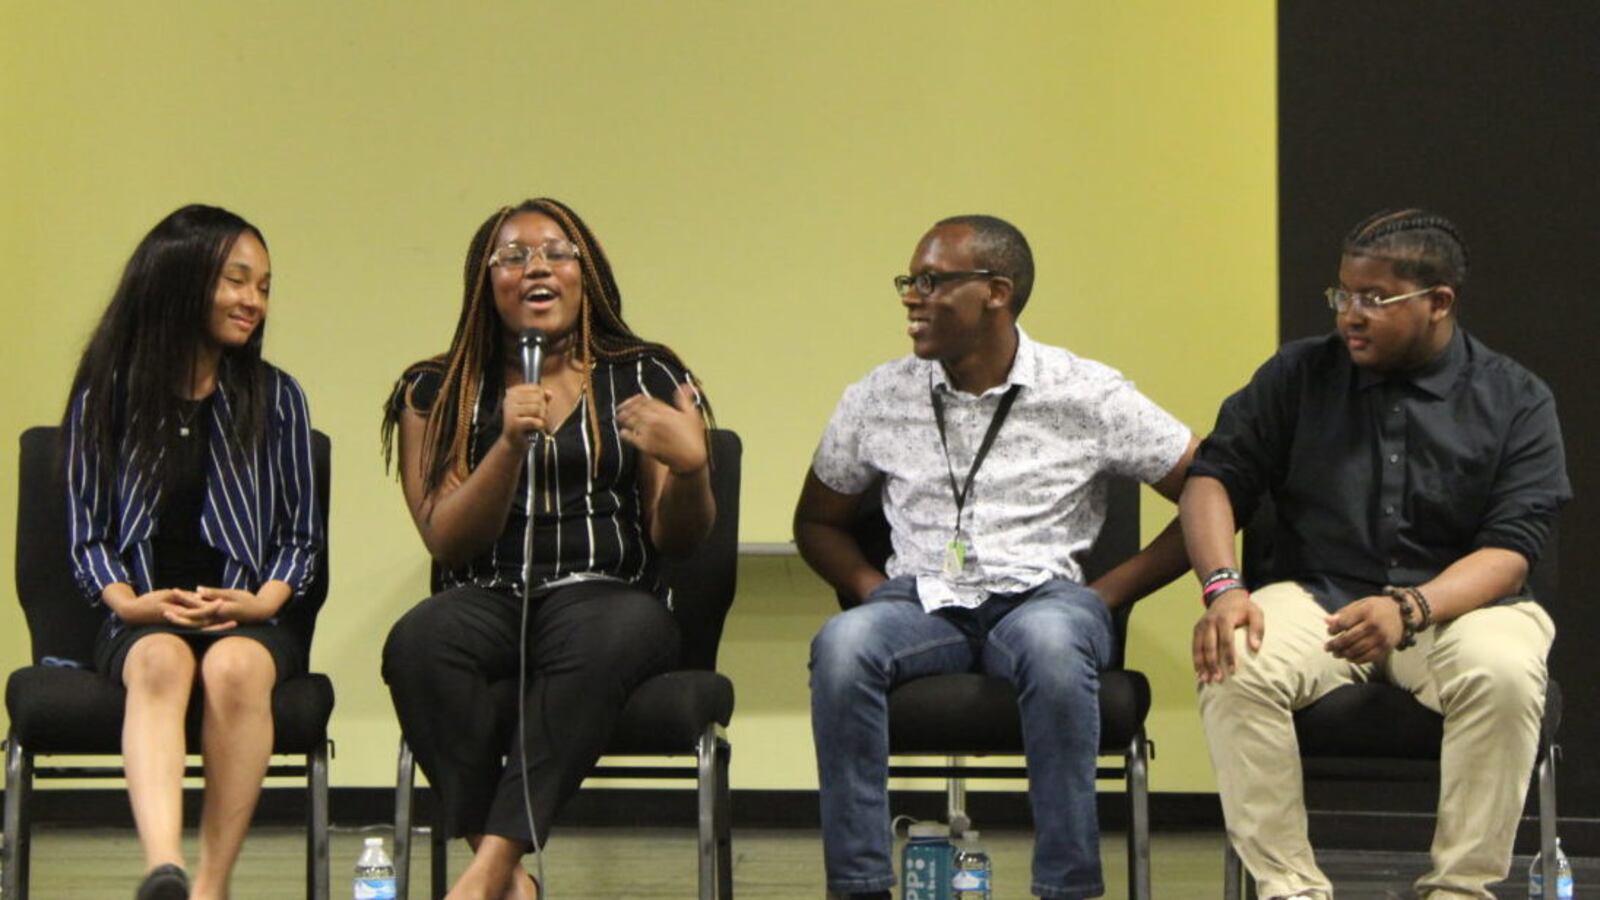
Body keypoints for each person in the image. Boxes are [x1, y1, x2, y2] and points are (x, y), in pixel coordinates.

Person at [795, 214, 1198, 900]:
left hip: (1044, 598)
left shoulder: (1086, 393)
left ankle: (1067, 888)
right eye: (908, 282)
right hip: (919, 603)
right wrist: (869, 589)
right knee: (842, 646)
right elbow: (817, 521)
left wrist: (1110, 594)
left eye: (931, 282)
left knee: (1050, 643)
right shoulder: (878, 397)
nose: (911, 298)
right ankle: (859, 886)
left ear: (996, 292)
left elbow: (1208, 494)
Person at [1182, 209, 1569, 900]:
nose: (1349, 316)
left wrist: (1412, 606)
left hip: (1464, 606)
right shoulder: (1298, 374)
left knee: (1505, 671)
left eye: (1373, 299)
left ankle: (1459, 889)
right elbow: (1214, 478)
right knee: (1232, 655)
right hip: (1320, 597)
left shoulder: (1515, 398)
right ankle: (1290, 888)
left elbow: (1513, 549)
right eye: (1342, 295)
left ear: (1438, 302)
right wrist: (1222, 586)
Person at [380, 198, 715, 900]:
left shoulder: (645, 374)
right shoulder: (437, 389)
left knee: (599, 636)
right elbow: (445, 535)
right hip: (486, 594)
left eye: (557, 252)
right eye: (513, 256)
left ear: (586, 273)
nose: (537, 267)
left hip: (611, 595)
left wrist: (690, 468)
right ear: (484, 281)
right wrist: (506, 443)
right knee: (418, 642)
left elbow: (676, 538)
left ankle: (485, 876)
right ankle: (506, 876)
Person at [63, 204, 322, 900]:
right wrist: (129, 602)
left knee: (236, 667)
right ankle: (162, 868)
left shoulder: (278, 399)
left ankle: (208, 888)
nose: (253, 301)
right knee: (159, 659)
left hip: (251, 613)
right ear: (180, 279)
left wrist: (262, 600)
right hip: (143, 609)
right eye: (236, 280)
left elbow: (302, 538)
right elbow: (85, 535)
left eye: (264, 285)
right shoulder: (106, 396)